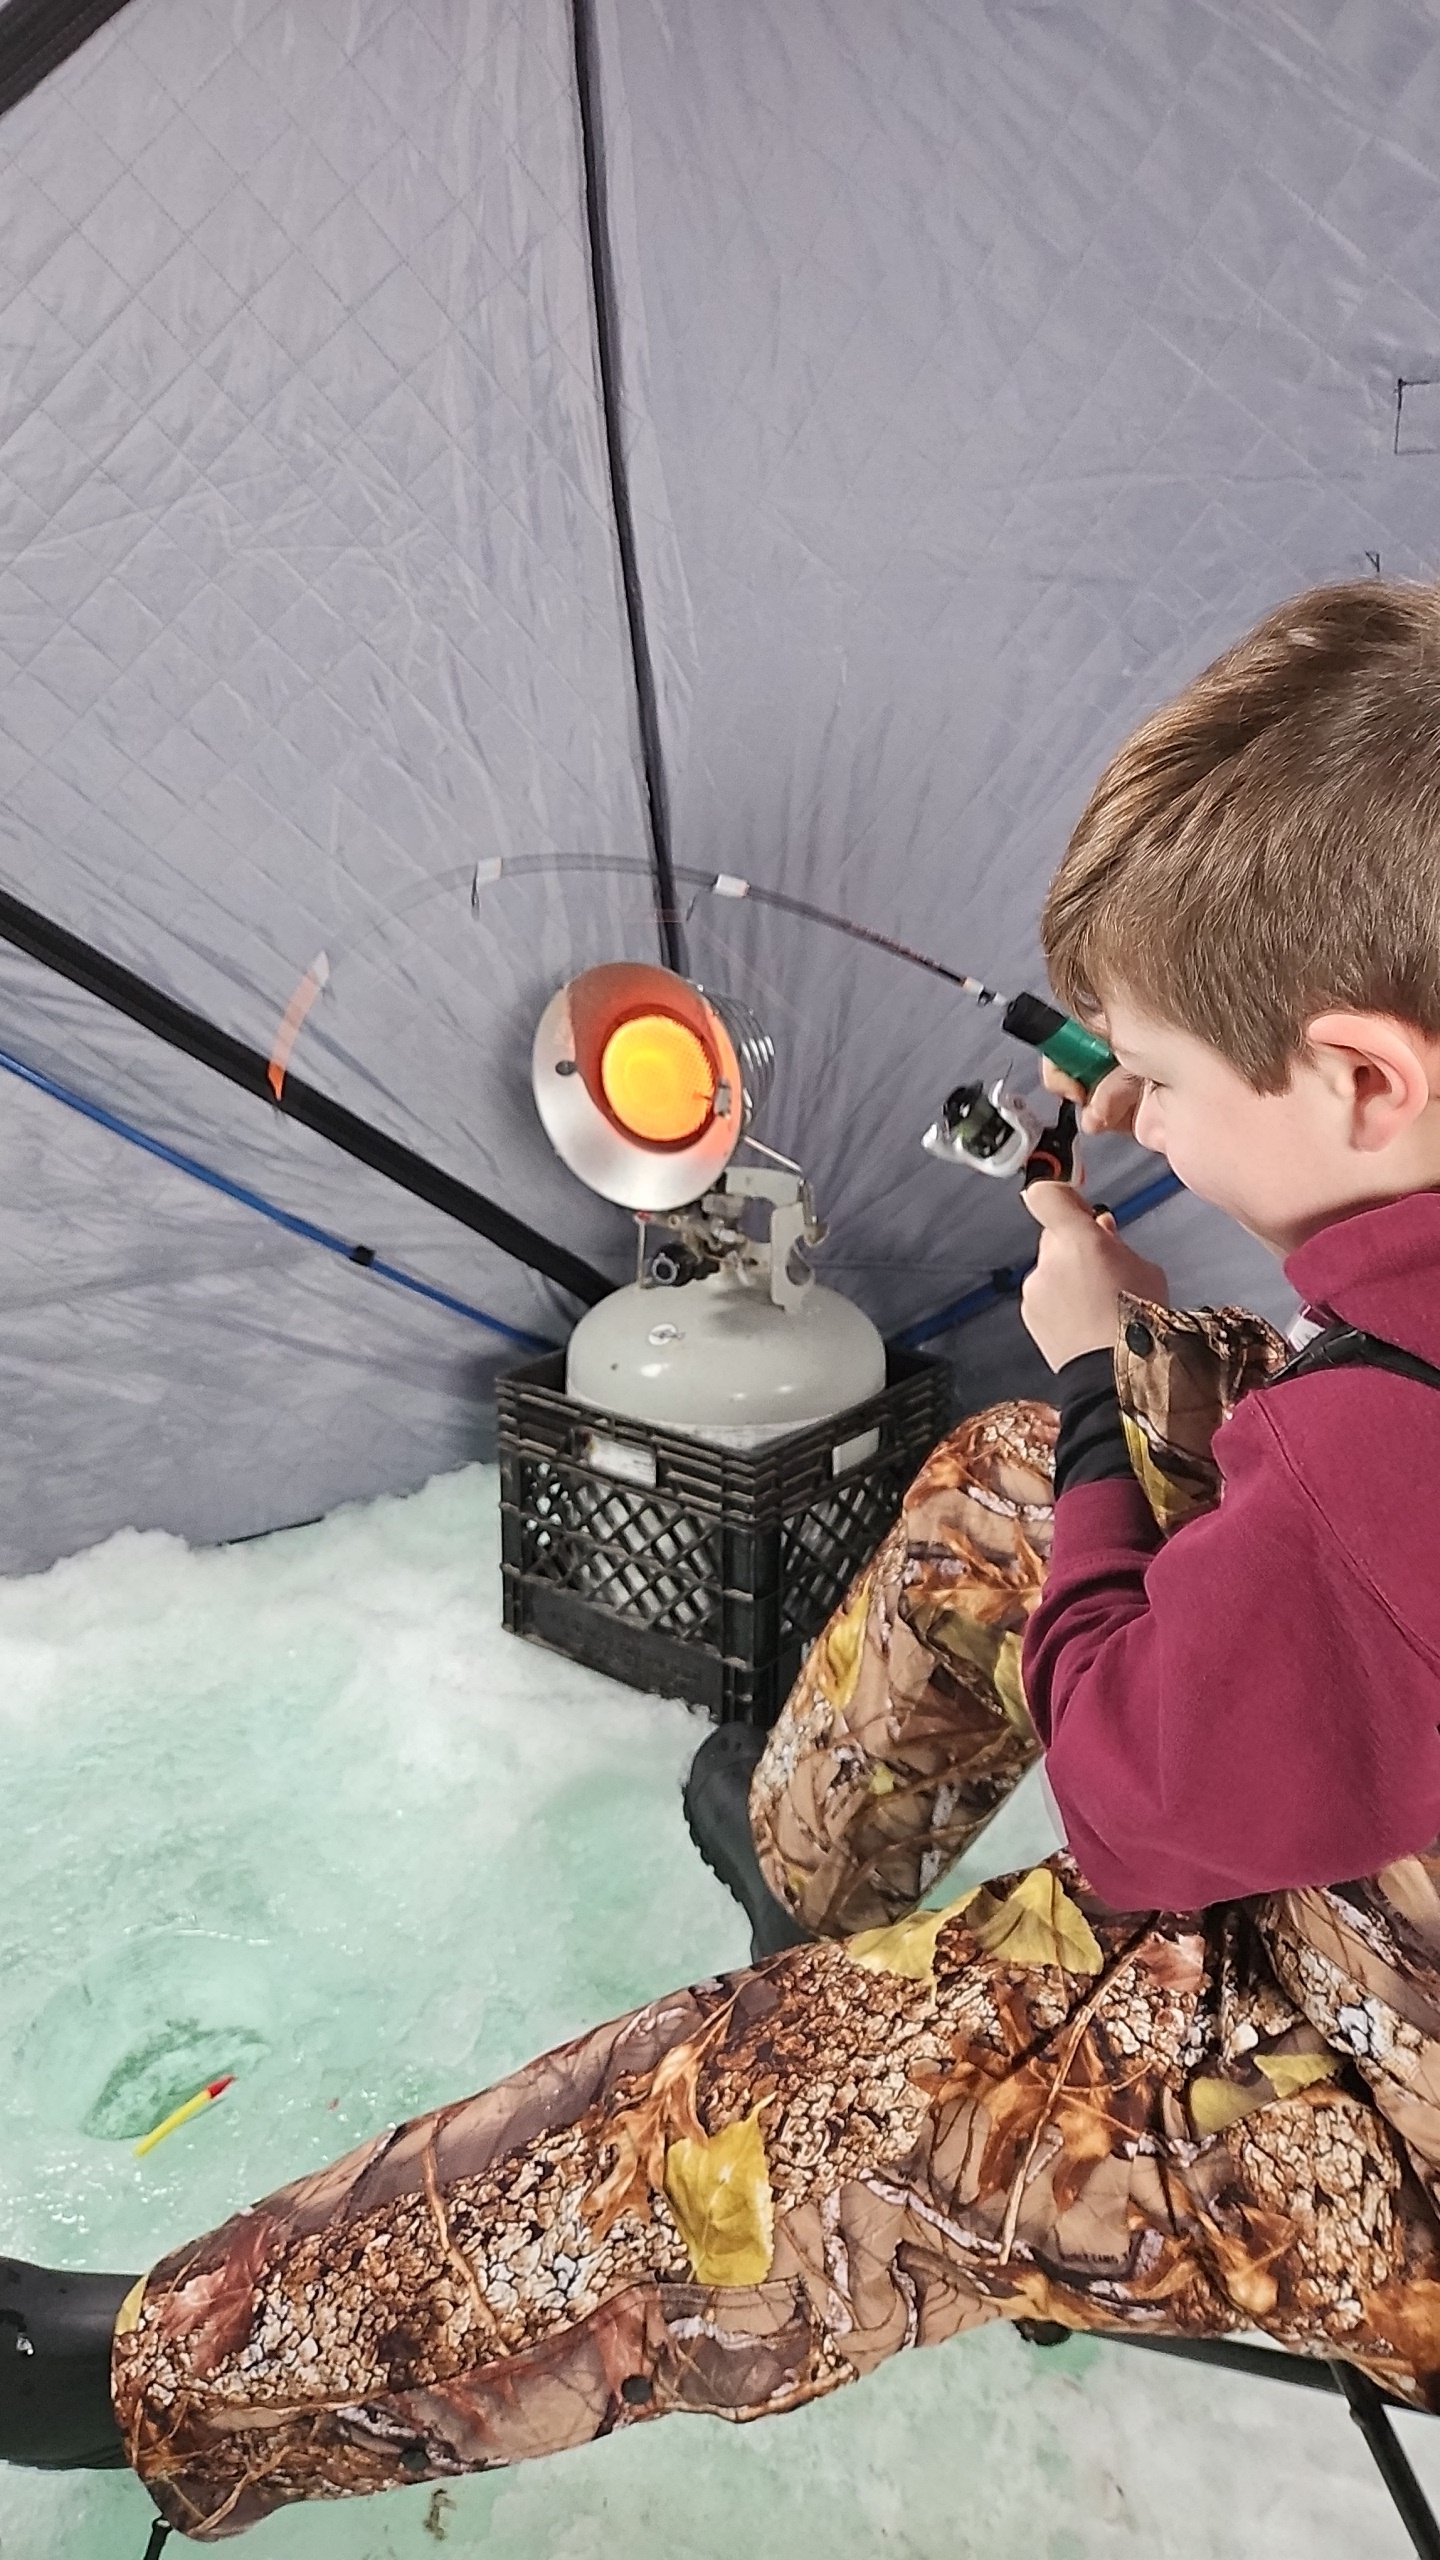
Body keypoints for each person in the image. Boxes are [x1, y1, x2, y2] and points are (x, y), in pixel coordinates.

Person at [12, 576, 1440, 2543]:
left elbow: (1132, 1803)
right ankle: (807, 1866)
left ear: (1369, 1077)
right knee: (1023, 1481)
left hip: (1390, 2105)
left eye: (1171, 1087)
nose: (1147, 1130)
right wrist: (1147, 1285)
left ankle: (167, 2370)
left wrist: (1101, 1380)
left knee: (817, 2090)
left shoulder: (1387, 1461)